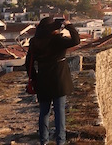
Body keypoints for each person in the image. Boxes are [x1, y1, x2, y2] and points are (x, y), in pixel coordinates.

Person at [25, 17, 80, 145]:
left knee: (44, 111)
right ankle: (60, 141)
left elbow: (28, 63)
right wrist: (69, 25)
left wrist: (33, 78)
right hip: (59, 79)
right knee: (59, 111)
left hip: (43, 79)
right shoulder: (57, 40)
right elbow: (76, 40)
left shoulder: (35, 42)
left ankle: (44, 140)